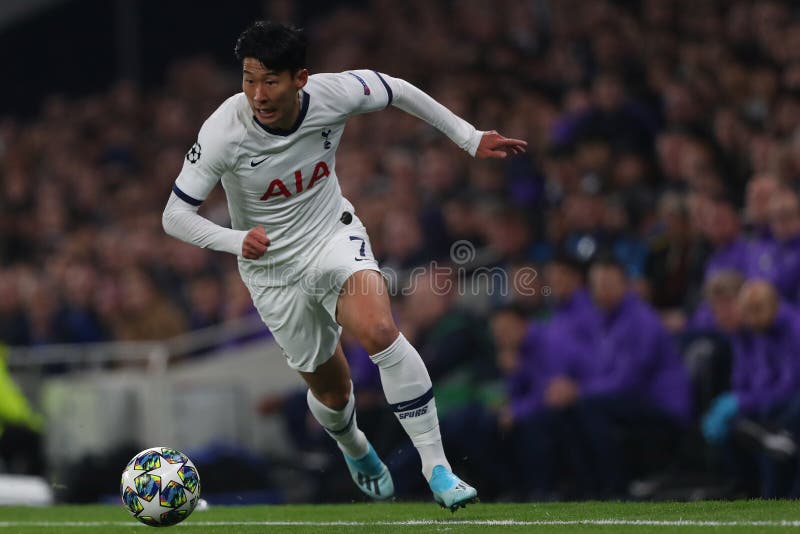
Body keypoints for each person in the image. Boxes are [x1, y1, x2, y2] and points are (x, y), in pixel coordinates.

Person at [161, 20, 526, 509]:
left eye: (270, 80)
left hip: (331, 234)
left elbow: (396, 89)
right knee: (333, 394)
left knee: (379, 330)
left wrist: (469, 137)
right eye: (249, 79)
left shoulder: (335, 94)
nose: (258, 93)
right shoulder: (225, 130)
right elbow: (174, 216)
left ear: (300, 78)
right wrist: (233, 239)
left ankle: (437, 468)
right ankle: (354, 445)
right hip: (271, 269)